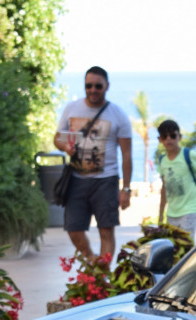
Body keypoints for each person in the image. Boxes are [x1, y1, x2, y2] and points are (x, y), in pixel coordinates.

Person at [53, 65, 132, 261]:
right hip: (77, 179)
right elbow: (57, 138)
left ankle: (102, 275)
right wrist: (65, 147)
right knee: (74, 229)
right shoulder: (72, 109)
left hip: (106, 180)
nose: (93, 90)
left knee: (106, 230)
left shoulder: (117, 114)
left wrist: (126, 189)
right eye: (89, 86)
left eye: (98, 86)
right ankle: (91, 260)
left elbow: (127, 154)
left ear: (107, 86)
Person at [154, 120, 196, 238]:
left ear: (179, 137)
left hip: (191, 207)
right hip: (172, 211)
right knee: (175, 246)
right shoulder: (162, 161)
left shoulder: (189, 155)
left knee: (186, 242)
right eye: (164, 136)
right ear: (160, 139)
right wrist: (161, 214)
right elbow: (164, 187)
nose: (169, 139)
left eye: (172, 136)